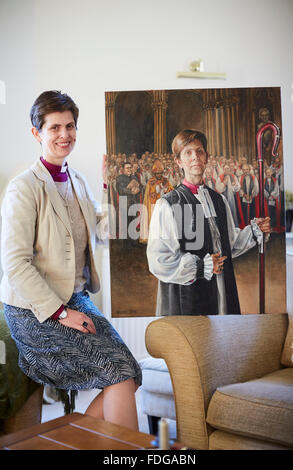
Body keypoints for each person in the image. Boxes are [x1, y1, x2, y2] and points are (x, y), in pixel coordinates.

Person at [0, 90, 142, 430]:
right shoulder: (24, 188)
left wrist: (114, 187)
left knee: (130, 372)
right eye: (55, 128)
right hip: (34, 310)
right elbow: (15, 264)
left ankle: (70, 438)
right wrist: (62, 313)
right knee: (120, 375)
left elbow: (106, 229)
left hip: (75, 298)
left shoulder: (77, 179)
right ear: (37, 133)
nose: (65, 134)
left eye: (70, 126)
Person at [147, 129, 270, 316]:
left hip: (221, 288)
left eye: (199, 151)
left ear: (206, 157)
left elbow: (230, 243)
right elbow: (159, 260)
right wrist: (199, 267)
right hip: (188, 295)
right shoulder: (169, 204)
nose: (195, 157)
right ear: (178, 161)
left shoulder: (218, 200)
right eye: (187, 153)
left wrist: (255, 231)